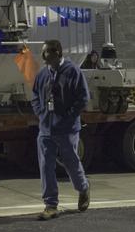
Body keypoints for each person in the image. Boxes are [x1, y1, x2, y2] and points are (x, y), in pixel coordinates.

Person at [30, 39, 90, 220]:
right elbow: (34, 95)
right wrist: (41, 113)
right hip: (46, 129)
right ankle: (50, 205)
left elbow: (83, 98)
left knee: (71, 162)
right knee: (46, 166)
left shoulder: (72, 71)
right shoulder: (42, 74)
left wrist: (68, 117)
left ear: (57, 53)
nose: (43, 56)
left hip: (66, 129)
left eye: (46, 52)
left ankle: (83, 188)